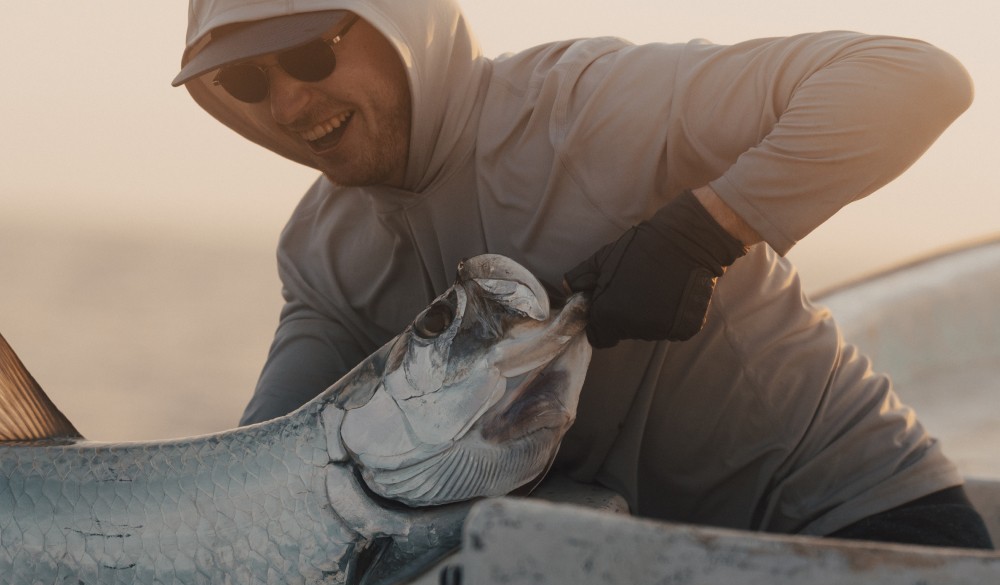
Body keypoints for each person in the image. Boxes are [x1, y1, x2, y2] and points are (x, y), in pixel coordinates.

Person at [173, 0, 992, 549]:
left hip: (862, 522)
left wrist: (702, 232)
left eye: (311, 54)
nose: (286, 104)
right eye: (247, 80)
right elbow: (267, 464)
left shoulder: (589, 104)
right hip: (626, 582)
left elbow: (914, 77)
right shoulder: (320, 250)